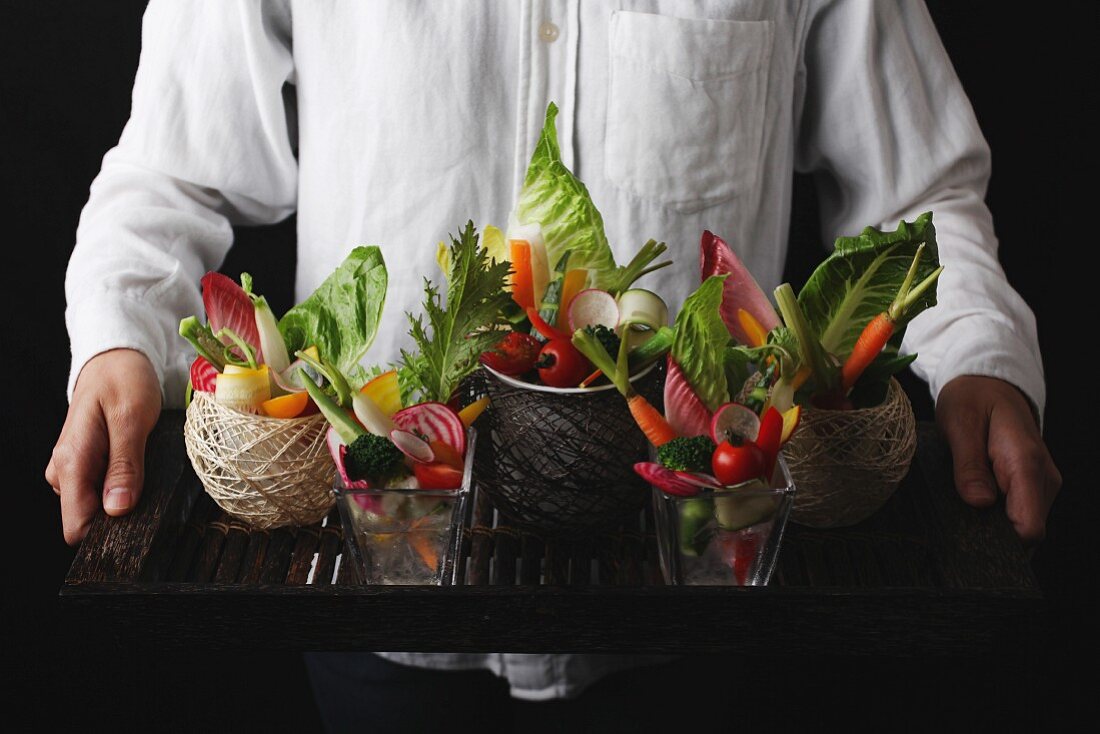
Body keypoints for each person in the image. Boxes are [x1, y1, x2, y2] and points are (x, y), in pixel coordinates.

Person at [46, 0, 1061, 728]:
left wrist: (977, 352)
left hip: (697, 589)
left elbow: (917, 194)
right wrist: (118, 334)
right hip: (380, 573)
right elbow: (171, 175)